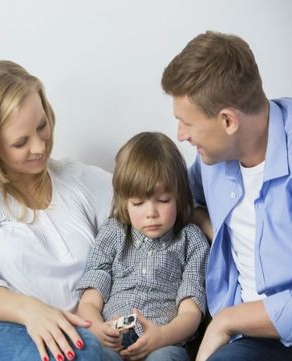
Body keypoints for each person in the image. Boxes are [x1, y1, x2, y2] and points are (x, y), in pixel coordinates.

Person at [0, 60, 114, 361]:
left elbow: (155, 195)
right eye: (20, 142)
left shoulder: (79, 181)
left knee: (87, 349)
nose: (39, 147)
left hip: (65, 335)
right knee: (83, 350)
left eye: (42, 126)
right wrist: (33, 312)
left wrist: (201, 218)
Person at [161, 31, 292, 361]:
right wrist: (211, 226)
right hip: (254, 342)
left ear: (228, 120)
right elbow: (179, 200)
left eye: (186, 123)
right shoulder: (212, 158)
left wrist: (228, 320)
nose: (181, 135)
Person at [76, 132, 210, 361]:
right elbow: (89, 298)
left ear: (178, 196)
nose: (151, 213)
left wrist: (162, 335)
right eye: (138, 203)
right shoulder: (114, 232)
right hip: (113, 337)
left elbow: (191, 312)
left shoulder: (191, 240)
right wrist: (97, 328)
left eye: (163, 200)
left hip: (163, 341)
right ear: (124, 202)